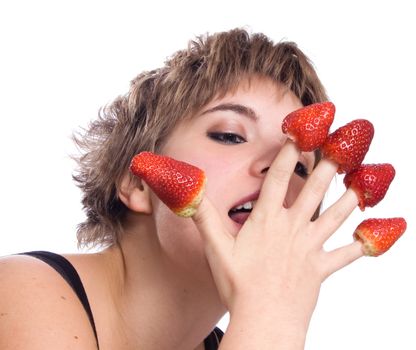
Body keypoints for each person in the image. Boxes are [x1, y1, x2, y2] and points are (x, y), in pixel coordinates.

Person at [0, 28, 364, 349]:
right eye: (230, 136)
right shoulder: (21, 292)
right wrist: (270, 312)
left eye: (300, 166)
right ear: (137, 181)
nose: (278, 170)